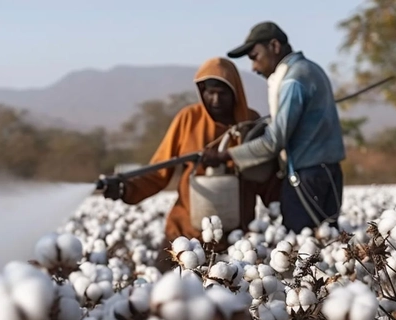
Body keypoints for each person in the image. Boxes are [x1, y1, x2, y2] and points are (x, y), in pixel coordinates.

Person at [101, 57, 281, 269]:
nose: (215, 99)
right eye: (210, 92)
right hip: (184, 235)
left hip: (235, 240)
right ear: (201, 92)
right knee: (164, 293)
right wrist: (126, 188)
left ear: (235, 93)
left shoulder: (250, 123)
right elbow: (160, 170)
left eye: (222, 93)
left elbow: (264, 176)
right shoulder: (188, 119)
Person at [203, 22, 346, 234]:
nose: (253, 67)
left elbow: (273, 141)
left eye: (255, 57)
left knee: (300, 252)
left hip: (307, 176)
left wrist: (226, 156)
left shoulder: (292, 81)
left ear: (274, 46)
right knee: (327, 242)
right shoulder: (312, 69)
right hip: (329, 172)